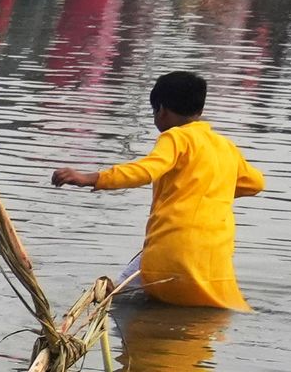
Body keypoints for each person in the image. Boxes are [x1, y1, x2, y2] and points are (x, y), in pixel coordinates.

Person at [53, 68, 265, 309]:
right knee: (203, 326)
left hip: (173, 252)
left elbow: (145, 171)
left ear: (161, 110)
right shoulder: (225, 145)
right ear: (200, 110)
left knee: (111, 304)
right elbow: (256, 183)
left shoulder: (175, 138)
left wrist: (89, 178)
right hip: (214, 261)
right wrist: (211, 186)